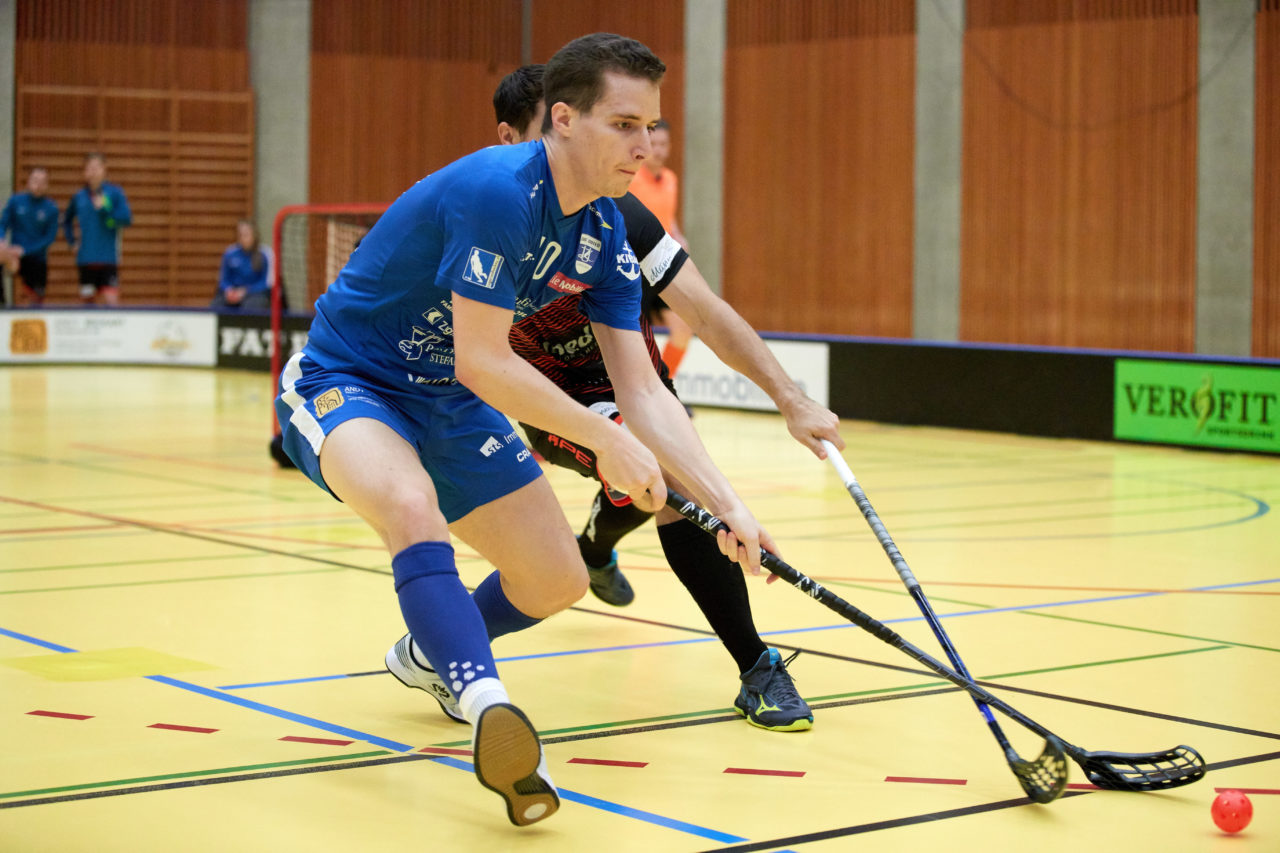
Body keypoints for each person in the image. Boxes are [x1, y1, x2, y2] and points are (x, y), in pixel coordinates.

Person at [275, 33, 772, 827]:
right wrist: (604, 439)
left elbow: (642, 389)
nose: (644, 147)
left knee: (558, 578)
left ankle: (430, 652)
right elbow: (483, 359)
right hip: (351, 379)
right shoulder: (500, 189)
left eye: (650, 126)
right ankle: (488, 707)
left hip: (450, 401)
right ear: (564, 120)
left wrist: (727, 503)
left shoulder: (605, 233)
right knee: (411, 506)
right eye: (623, 125)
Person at [486, 64, 844, 732]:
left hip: (637, 383)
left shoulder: (619, 216)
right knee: (661, 475)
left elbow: (703, 311)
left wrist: (790, 398)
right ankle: (757, 663)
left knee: (659, 480)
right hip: (551, 399)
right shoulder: (485, 219)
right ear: (514, 136)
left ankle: (598, 548)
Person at [626, 118, 693, 375]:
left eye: (664, 144)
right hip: (634, 268)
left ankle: (665, 386)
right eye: (653, 144)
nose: (659, 149)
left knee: (683, 327)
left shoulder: (670, 179)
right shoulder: (630, 178)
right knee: (635, 337)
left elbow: (667, 215)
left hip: (661, 265)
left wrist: (677, 234)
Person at [64, 152, 132, 306]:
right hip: (86, 260)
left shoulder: (114, 193)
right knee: (87, 303)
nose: (93, 171)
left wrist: (105, 211)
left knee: (111, 302)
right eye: (89, 167)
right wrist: (71, 242)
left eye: (97, 167)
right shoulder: (79, 196)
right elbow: (66, 220)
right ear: (84, 171)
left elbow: (126, 218)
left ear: (104, 169)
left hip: (108, 259)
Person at [0, 167, 60, 307]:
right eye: (35, 180)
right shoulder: (16, 201)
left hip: (36, 257)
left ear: (47, 185)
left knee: (35, 300)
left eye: (42, 182)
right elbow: (3, 224)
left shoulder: (51, 208)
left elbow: (49, 238)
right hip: (14, 255)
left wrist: (25, 250)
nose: (38, 185)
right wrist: (2, 241)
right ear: (28, 182)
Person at [212, 220, 273, 311]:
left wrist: (246, 291)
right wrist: (229, 290)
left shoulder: (264, 254)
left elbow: (266, 283)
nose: (243, 238)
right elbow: (223, 280)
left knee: (251, 306)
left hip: (255, 294)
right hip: (233, 293)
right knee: (216, 305)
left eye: (246, 234)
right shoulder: (230, 253)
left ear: (254, 235)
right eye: (240, 234)